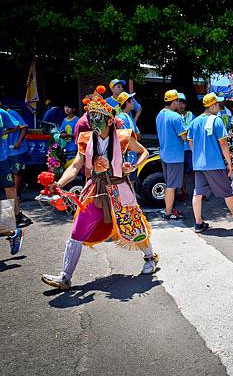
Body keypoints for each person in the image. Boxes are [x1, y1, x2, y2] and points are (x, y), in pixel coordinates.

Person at [41, 86, 158, 289]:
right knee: (77, 230)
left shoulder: (123, 136)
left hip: (119, 188)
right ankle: (65, 277)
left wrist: (133, 167)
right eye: (91, 117)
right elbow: (76, 166)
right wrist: (58, 184)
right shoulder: (86, 140)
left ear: (110, 120)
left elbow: (144, 152)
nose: (94, 121)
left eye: (98, 117)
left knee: (133, 225)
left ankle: (150, 257)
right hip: (94, 190)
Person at [188, 92, 233, 233]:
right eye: (217, 104)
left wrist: (198, 156)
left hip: (199, 164)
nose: (219, 106)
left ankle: (198, 223)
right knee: (227, 191)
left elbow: (191, 143)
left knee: (198, 193)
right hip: (214, 163)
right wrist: (229, 163)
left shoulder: (194, 122)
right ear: (212, 105)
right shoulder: (216, 120)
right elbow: (223, 144)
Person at [156, 89, 186, 220]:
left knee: (169, 184)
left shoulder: (159, 115)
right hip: (175, 156)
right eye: (178, 102)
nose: (179, 105)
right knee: (171, 186)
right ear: (174, 102)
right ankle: (168, 213)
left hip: (164, 154)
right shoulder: (176, 117)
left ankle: (169, 210)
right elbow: (185, 137)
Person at [0, 108, 32, 228]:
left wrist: (4, 132)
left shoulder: (2, 113)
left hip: (1, 157)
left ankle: (16, 217)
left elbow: (17, 126)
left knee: (9, 187)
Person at [5, 108, 29, 196]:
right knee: (8, 173)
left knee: (17, 172)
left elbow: (24, 127)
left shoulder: (11, 113)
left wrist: (18, 142)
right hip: (5, 149)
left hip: (16, 149)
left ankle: (16, 194)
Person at [178, 92, 195, 201]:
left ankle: (198, 192)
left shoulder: (191, 115)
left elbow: (192, 130)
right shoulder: (174, 116)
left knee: (193, 171)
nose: (180, 106)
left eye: (182, 103)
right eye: (178, 103)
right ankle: (183, 192)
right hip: (179, 148)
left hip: (189, 147)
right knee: (182, 172)